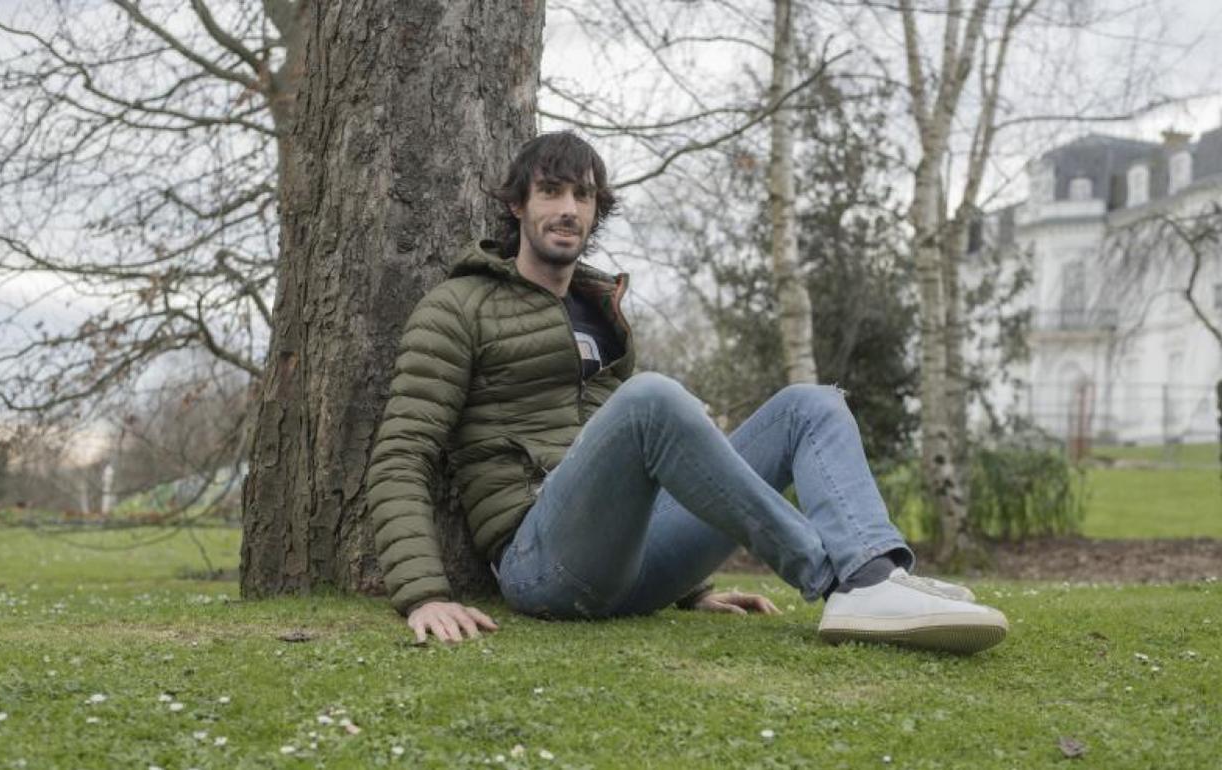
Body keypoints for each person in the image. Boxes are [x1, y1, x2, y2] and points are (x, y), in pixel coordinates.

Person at [364, 131, 1008, 654]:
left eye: (583, 196)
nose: (568, 208)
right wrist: (423, 594)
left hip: (632, 567)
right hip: (543, 564)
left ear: (596, 209)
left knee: (812, 405)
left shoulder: (601, 310)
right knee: (652, 399)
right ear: (517, 205)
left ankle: (876, 574)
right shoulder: (459, 305)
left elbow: (641, 471)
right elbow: (401, 454)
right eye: (551, 191)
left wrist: (692, 586)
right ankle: (841, 579)